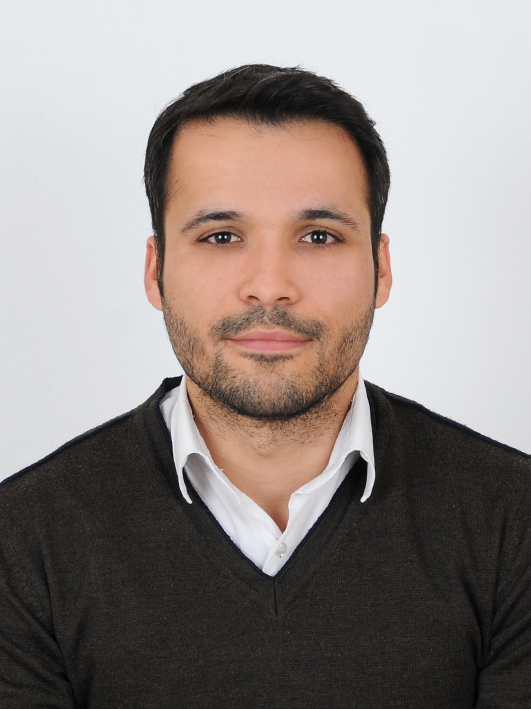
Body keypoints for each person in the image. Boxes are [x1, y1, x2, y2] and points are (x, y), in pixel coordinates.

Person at [0, 64, 530, 709]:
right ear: (156, 270)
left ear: (381, 268)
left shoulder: (514, 523)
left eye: (319, 236)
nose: (270, 286)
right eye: (221, 236)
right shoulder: (22, 542)